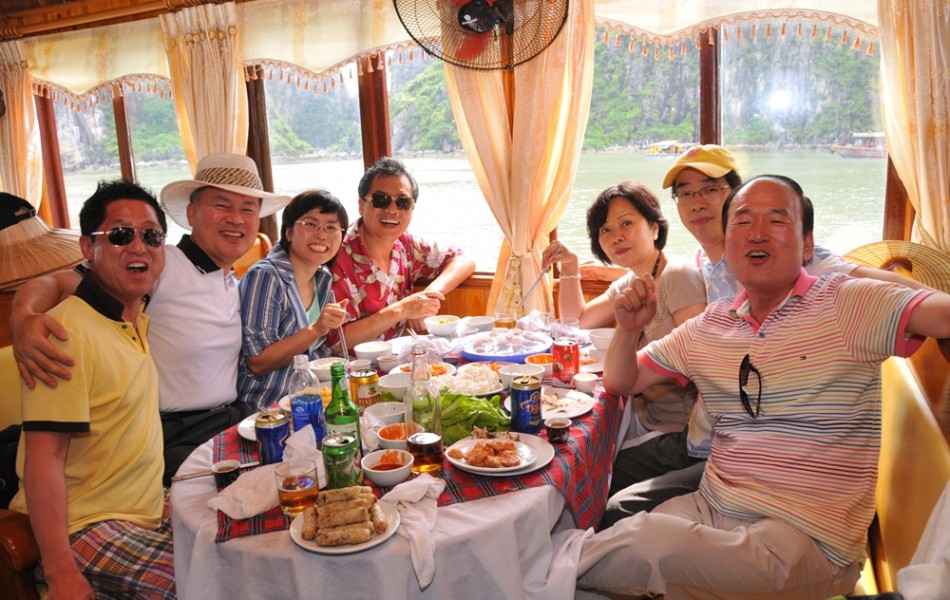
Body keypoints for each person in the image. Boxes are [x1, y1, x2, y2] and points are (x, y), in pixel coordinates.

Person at [577, 175, 950, 599]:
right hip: (711, 506)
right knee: (622, 539)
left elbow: (942, 314)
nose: (756, 233)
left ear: (807, 245)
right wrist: (628, 330)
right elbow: (622, 381)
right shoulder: (711, 325)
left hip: (807, 538)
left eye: (776, 220)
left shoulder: (850, 302)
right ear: (728, 241)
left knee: (639, 549)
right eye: (742, 221)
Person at [8, 153, 291, 485]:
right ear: (192, 213)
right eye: (222, 205)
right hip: (175, 433)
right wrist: (23, 316)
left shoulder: (232, 279)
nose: (236, 219)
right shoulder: (160, 263)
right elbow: (55, 283)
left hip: (230, 420)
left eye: (248, 209)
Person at [9, 180, 175, 598]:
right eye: (120, 234)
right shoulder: (64, 335)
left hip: (146, 506)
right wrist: (60, 571)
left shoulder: (130, 314)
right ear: (88, 248)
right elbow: (44, 457)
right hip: (85, 524)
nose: (138, 247)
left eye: (151, 236)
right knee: (207, 584)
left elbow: (57, 282)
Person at [540, 182, 706, 497]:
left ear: (654, 227)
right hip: (641, 413)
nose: (616, 236)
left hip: (677, 430)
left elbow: (698, 361)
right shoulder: (632, 280)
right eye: (605, 230)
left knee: (582, 463)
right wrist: (571, 267)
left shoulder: (678, 275)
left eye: (626, 223)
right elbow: (578, 320)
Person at [327, 156, 475, 350]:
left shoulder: (406, 244)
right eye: (381, 200)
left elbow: (463, 260)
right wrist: (402, 309)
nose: (392, 210)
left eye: (402, 202)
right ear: (361, 205)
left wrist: (427, 296)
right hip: (347, 366)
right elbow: (336, 342)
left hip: (395, 360)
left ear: (412, 209)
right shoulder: (336, 255)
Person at [238, 190, 349, 409]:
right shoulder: (265, 276)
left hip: (311, 397)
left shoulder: (322, 277)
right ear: (288, 232)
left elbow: (318, 350)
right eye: (310, 224)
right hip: (267, 408)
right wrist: (316, 329)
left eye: (331, 227)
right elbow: (258, 362)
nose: (321, 235)